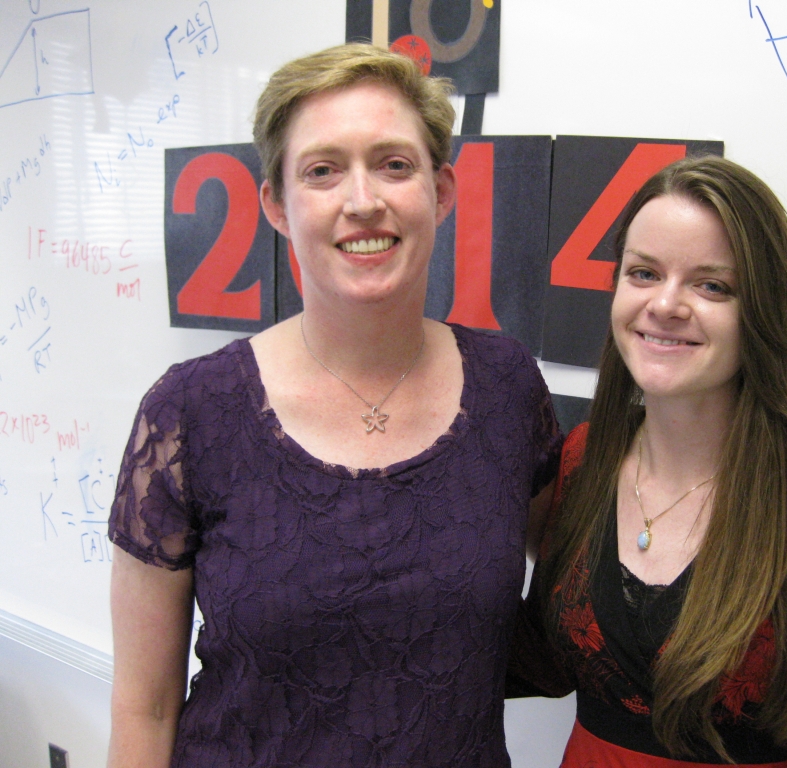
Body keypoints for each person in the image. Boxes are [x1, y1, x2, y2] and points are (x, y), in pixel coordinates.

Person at [106, 44, 560, 768]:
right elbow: (145, 706)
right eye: (322, 170)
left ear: (441, 191)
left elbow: (574, 589)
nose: (362, 200)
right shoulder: (189, 413)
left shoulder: (507, 388)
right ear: (276, 205)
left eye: (393, 163)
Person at [508, 157, 787, 767]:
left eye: (712, 285)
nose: (666, 304)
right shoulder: (581, 461)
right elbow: (540, 661)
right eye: (644, 273)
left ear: (761, 311)